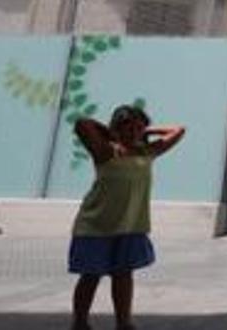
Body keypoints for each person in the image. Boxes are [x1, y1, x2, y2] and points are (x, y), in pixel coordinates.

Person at [69, 105, 185, 330]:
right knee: (91, 276)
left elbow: (179, 130)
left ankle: (124, 323)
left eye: (138, 127)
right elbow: (82, 123)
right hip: (96, 225)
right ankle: (80, 323)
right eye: (127, 127)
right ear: (116, 128)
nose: (133, 132)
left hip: (130, 225)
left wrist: (148, 132)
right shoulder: (105, 150)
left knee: (123, 275)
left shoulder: (147, 151)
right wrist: (111, 133)